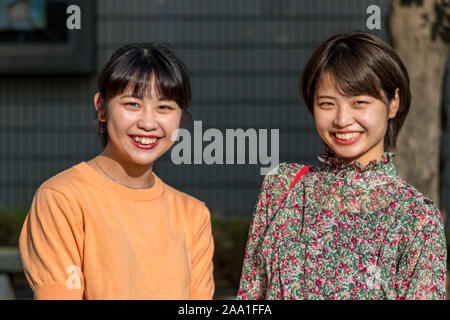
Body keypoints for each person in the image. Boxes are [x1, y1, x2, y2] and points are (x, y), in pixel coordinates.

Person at [237, 32, 447, 300]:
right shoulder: (282, 187)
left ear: (393, 102)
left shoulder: (416, 218)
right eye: (327, 104)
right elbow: (250, 295)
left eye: (359, 102)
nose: (342, 119)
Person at [19, 43, 214, 300]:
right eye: (132, 104)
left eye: (164, 108)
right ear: (101, 106)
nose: (147, 123)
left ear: (181, 116)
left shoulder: (193, 215)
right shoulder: (62, 198)